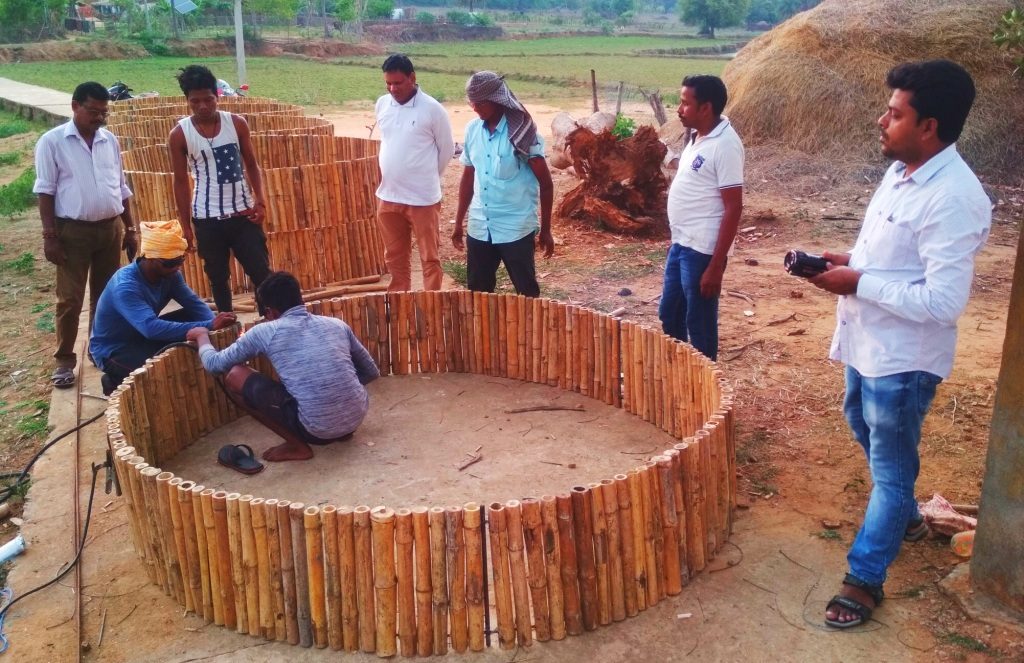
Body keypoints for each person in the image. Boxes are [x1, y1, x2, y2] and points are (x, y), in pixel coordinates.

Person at [811, 60, 991, 629]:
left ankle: (863, 579)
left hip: (904, 359)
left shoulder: (955, 197)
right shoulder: (904, 170)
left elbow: (943, 301)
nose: (881, 120)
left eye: (894, 113)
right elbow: (898, 262)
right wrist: (850, 262)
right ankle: (907, 516)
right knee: (863, 429)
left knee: (889, 470)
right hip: (868, 341)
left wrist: (859, 281)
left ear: (929, 125)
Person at [187, 271, 380, 462]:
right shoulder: (336, 324)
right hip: (356, 418)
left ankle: (297, 446)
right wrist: (336, 390)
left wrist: (202, 336)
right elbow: (371, 372)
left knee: (235, 375)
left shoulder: (266, 331)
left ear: (270, 311)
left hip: (316, 431)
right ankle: (340, 429)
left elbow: (214, 365)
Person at [33, 81, 139, 389]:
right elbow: (45, 191)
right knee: (70, 298)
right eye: (93, 111)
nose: (99, 117)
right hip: (72, 232)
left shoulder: (109, 140)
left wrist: (130, 228)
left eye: (104, 112)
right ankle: (65, 360)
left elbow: (120, 187)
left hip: (110, 228)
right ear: (75, 106)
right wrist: (49, 235)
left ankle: (99, 349)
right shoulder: (52, 142)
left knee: (107, 295)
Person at [169, 64, 271, 314]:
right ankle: (227, 327)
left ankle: (270, 323)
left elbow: (251, 165)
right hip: (207, 219)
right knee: (217, 278)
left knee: (262, 274)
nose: (203, 106)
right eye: (195, 101)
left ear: (217, 96)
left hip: (243, 214)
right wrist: (185, 225)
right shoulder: (179, 134)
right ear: (187, 101)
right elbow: (181, 182)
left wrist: (260, 201)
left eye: (208, 99)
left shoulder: (236, 124)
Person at [90, 220, 237, 395]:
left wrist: (216, 328)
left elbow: (194, 304)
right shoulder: (125, 287)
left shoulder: (171, 274)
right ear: (149, 257)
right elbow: (150, 328)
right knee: (162, 370)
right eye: (169, 263)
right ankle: (113, 379)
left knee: (199, 318)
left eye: (179, 260)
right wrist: (209, 326)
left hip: (143, 334)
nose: (175, 268)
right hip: (116, 348)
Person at [658, 74, 744, 362]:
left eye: (685, 103)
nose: (679, 109)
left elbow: (733, 208)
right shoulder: (697, 136)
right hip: (681, 244)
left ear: (705, 108)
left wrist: (716, 265)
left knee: (700, 324)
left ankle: (706, 387)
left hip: (703, 251)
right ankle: (683, 374)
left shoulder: (726, 145)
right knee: (669, 315)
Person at [452, 71, 554, 297]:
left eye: (480, 103)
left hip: (515, 228)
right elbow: (468, 178)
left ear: (497, 99)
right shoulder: (472, 130)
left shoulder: (523, 134)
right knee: (478, 295)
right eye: (472, 103)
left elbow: (546, 185)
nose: (475, 108)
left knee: (527, 294)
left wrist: (546, 230)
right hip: (479, 227)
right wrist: (459, 222)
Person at [374, 54, 455, 292]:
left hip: (423, 199)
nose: (392, 88)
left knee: (429, 258)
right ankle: (400, 307)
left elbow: (446, 150)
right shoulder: (382, 104)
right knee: (394, 257)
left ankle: (431, 307)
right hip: (388, 196)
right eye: (388, 83)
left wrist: (428, 177)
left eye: (398, 83)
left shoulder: (433, 109)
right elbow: (388, 141)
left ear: (412, 78)